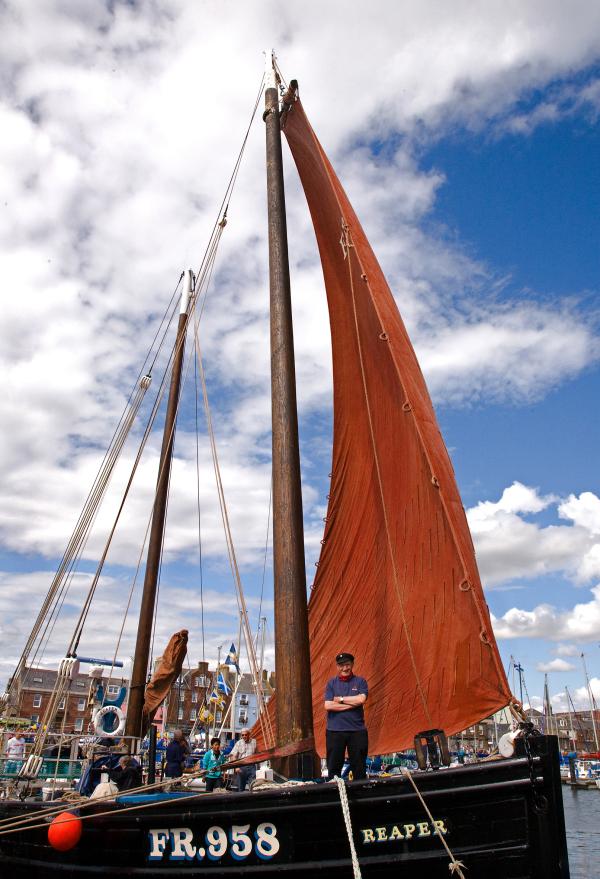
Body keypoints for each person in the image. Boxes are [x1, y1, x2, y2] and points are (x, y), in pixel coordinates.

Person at [324, 652, 368, 781]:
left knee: (359, 768)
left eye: (347, 664)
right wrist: (352, 704)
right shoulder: (331, 683)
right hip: (335, 731)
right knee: (334, 768)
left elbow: (361, 699)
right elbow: (328, 705)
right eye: (341, 665)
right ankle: (336, 796)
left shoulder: (360, 682)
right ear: (337, 667)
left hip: (357, 731)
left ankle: (360, 795)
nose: (345, 668)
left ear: (352, 665)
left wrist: (341, 699)